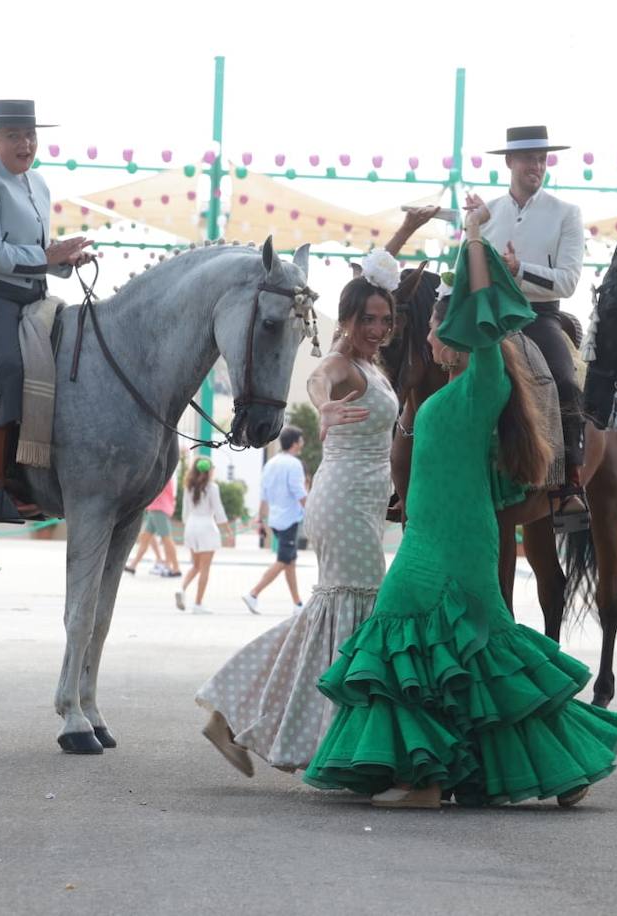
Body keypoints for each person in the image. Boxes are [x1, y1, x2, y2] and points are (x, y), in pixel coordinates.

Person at [302, 195, 617, 809]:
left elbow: (485, 316)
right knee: (473, 650)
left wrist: (474, 238)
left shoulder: (483, 383)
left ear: (459, 334)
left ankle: (424, 779)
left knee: (414, 635)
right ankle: (556, 765)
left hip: (451, 545)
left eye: (433, 327)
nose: (424, 335)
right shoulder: (439, 398)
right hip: (433, 535)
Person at [196, 251, 400, 776]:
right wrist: (322, 405)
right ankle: (318, 736)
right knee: (346, 613)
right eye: (365, 320)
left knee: (332, 615)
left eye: (384, 319)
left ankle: (234, 711)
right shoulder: (339, 364)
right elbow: (317, 382)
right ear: (347, 322)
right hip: (344, 500)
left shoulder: (371, 365)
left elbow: (377, 276)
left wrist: (405, 234)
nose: (376, 328)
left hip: (365, 500)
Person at [0, 100, 94, 524]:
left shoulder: (39, 183)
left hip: (29, 296)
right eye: (14, 136)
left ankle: (40, 471)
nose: (25, 143)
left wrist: (66, 260)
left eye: (30, 135)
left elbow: (36, 254)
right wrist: (48, 255)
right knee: (5, 366)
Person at [480, 126, 589, 533]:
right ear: (509, 162)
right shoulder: (484, 213)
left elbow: (567, 281)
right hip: (489, 315)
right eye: (528, 158)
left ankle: (570, 485)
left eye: (542, 158)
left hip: (538, 315)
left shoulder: (566, 213)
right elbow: (469, 265)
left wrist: (518, 270)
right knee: (431, 367)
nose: (537, 166)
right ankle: (412, 475)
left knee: (564, 379)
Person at [243, 427, 309, 614]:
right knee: (283, 560)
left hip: (275, 518)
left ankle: (297, 604)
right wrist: (311, 511)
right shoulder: (294, 464)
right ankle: (253, 594)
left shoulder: (270, 463)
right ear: (295, 443)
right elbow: (299, 492)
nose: (302, 443)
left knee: (290, 562)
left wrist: (261, 519)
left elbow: (263, 495)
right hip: (289, 518)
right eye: (301, 440)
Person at [175, 457, 233, 615]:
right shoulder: (212, 487)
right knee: (205, 568)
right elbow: (219, 511)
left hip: (191, 525)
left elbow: (185, 512)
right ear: (209, 470)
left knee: (195, 565)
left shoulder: (188, 486)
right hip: (206, 526)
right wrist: (228, 530)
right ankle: (198, 604)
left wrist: (187, 526)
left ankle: (181, 588)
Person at [124, 476, 181, 577]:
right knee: (145, 538)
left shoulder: (163, 474)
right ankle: (133, 565)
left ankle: (176, 569)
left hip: (159, 508)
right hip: (155, 508)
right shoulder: (162, 473)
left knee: (166, 538)